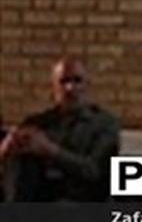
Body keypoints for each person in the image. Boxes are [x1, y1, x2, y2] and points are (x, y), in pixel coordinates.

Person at [1, 56, 119, 204]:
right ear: (54, 87)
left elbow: (94, 170)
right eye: (63, 82)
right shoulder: (38, 122)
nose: (70, 88)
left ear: (87, 85)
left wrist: (50, 150)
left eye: (77, 81)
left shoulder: (104, 124)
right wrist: (6, 151)